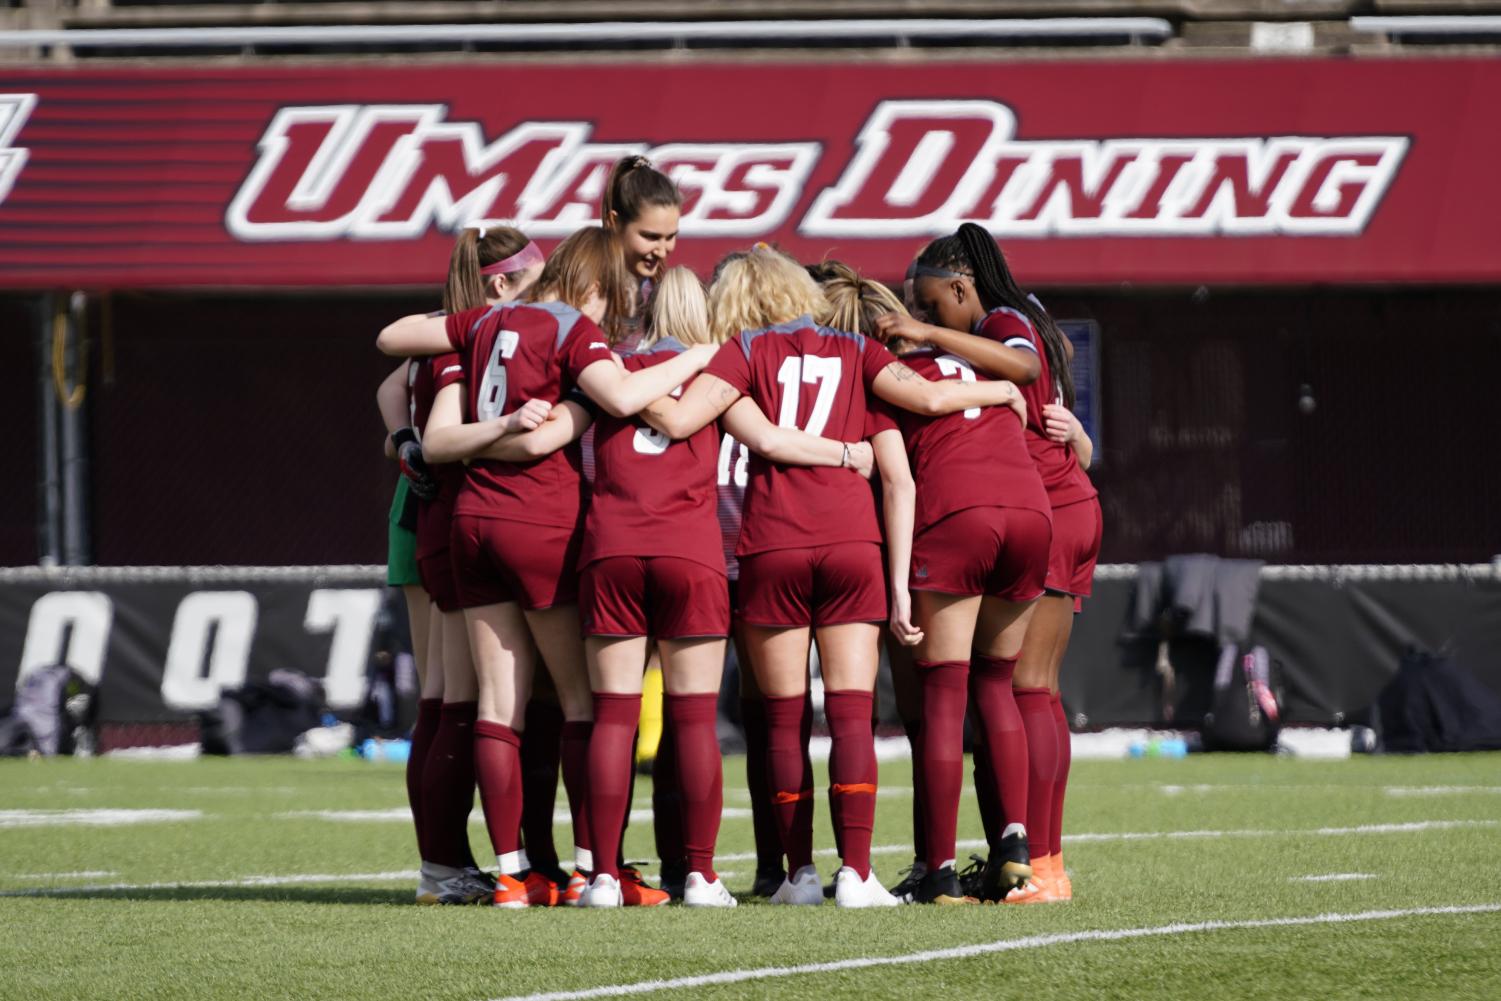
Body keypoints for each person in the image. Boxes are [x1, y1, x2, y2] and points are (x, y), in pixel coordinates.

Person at [639, 246, 1025, 907]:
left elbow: (680, 419)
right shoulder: (854, 351)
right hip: (852, 544)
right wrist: (1003, 387)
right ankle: (855, 872)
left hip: (772, 546)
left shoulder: (743, 352)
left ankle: (798, 874)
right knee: (850, 716)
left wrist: (625, 377)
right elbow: (928, 398)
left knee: (784, 721)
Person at [378, 226, 716, 908]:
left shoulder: (478, 327)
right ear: (593, 286)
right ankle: (596, 868)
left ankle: (509, 872)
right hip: (540, 525)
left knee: (482, 705)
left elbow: (404, 380)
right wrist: (705, 355)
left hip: (465, 520)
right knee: (580, 704)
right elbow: (604, 407)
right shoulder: (569, 332)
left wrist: (439, 441)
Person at [577, 266, 876, 908]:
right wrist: (851, 456)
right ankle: (739, 870)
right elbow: (759, 437)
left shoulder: (615, 369)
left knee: (634, 717)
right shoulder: (734, 364)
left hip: (656, 547)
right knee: (745, 720)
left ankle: (625, 869)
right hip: (727, 552)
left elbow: (586, 459)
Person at [882, 222, 1101, 904]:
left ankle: (1034, 865)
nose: (922, 317)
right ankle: (1035, 859)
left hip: (1030, 502)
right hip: (1053, 500)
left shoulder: (1002, 319)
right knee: (1021, 689)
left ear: (960, 285)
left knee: (1015, 688)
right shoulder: (1017, 317)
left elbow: (1027, 367)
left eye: (931, 304)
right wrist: (1078, 439)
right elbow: (1055, 405)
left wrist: (927, 338)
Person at [827, 264, 1051, 904]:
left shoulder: (888, 377)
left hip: (960, 514)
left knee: (944, 698)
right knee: (997, 684)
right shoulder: (982, 361)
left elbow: (897, 478)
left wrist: (896, 583)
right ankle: (1013, 848)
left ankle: (940, 870)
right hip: (1032, 514)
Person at [373, 225, 544, 905]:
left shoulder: (455, 335)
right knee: (454, 699)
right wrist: (416, 441)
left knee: (444, 696)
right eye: (535, 281)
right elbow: (397, 355)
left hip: (422, 511)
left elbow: (390, 382)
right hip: (441, 512)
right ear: (500, 284)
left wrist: (400, 436)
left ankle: (444, 865)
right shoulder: (468, 337)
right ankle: (443, 867)